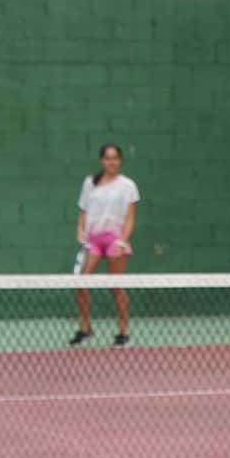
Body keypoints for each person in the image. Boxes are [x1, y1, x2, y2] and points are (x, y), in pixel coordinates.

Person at [71, 143, 138, 346]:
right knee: (81, 283)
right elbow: (83, 210)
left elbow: (130, 218)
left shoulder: (128, 185)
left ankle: (123, 332)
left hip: (115, 239)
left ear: (120, 160)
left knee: (116, 286)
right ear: (102, 161)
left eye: (115, 158)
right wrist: (80, 230)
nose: (111, 162)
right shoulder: (90, 182)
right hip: (93, 239)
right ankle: (85, 328)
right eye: (107, 158)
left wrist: (122, 241)